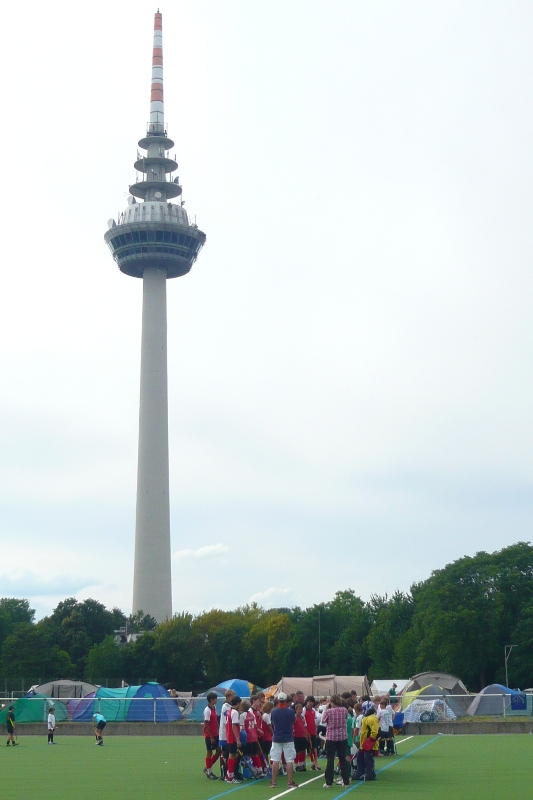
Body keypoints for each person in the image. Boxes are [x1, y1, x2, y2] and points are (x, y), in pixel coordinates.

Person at [270, 692, 298, 789]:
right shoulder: (290, 711)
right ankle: (290, 782)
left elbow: (272, 722)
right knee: (289, 760)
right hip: (288, 738)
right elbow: (293, 722)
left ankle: (273, 782)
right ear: (286, 700)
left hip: (277, 737)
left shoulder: (273, 711)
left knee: (275, 760)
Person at [321, 695, 350, 788]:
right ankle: (346, 781)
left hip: (331, 737)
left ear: (332, 702)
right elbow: (345, 719)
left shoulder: (329, 711)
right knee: (343, 759)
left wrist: (327, 709)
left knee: (330, 759)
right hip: (342, 736)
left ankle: (329, 782)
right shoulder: (344, 710)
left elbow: (323, 720)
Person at [354, 706, 379, 782]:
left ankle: (369, 773)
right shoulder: (370, 718)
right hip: (365, 743)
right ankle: (360, 772)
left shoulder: (370, 719)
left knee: (368, 758)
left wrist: (371, 740)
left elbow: (375, 731)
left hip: (368, 743)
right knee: (360, 757)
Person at [225, 695, 242, 784]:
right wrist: (238, 739)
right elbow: (234, 726)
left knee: (234, 755)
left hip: (229, 736)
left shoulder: (229, 711)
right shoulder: (235, 712)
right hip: (233, 738)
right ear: (238, 703)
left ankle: (229, 774)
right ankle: (230, 777)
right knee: (232, 756)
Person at [219, 689, 235, 780]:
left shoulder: (229, 706)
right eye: (233, 695)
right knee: (225, 753)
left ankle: (228, 772)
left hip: (228, 733)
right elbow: (227, 720)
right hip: (225, 734)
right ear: (229, 696)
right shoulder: (226, 706)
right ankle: (224, 773)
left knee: (228, 753)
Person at [203, 692, 220, 779]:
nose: (217, 700)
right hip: (209, 735)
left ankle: (208, 767)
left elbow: (215, 720)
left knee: (218, 751)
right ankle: (209, 772)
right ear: (211, 700)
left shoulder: (214, 708)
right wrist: (211, 736)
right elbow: (206, 724)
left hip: (215, 733)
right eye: (215, 698)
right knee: (209, 752)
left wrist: (218, 728)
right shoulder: (207, 710)